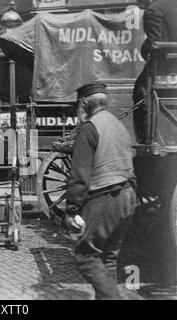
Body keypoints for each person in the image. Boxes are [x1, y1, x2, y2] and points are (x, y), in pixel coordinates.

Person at [65, 82, 137, 300]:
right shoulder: (118, 125)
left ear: (85, 104)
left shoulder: (89, 127)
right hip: (128, 195)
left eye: (78, 106)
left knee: (86, 258)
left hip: (105, 196)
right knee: (107, 258)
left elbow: (80, 174)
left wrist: (71, 209)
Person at [133, 0, 177, 143]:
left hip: (166, 69)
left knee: (140, 89)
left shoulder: (154, 10)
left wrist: (145, 48)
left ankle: (146, 139)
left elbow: (155, 43)